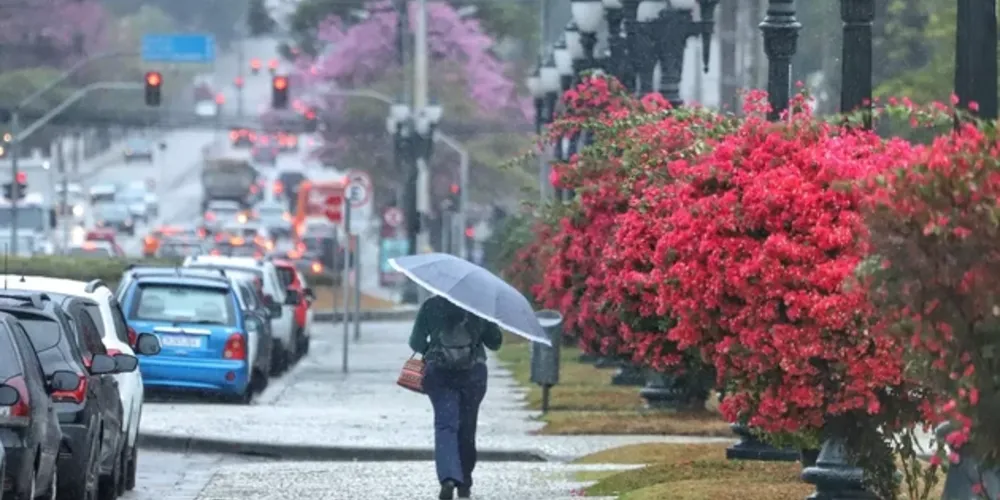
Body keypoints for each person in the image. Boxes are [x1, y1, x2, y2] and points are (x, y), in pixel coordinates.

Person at [409, 295, 502, 500]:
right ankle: (465, 483)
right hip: (473, 375)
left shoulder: (431, 306)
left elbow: (415, 342)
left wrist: (432, 351)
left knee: (445, 425)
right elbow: (495, 343)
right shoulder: (478, 305)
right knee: (467, 428)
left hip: (439, 373)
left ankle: (449, 477)